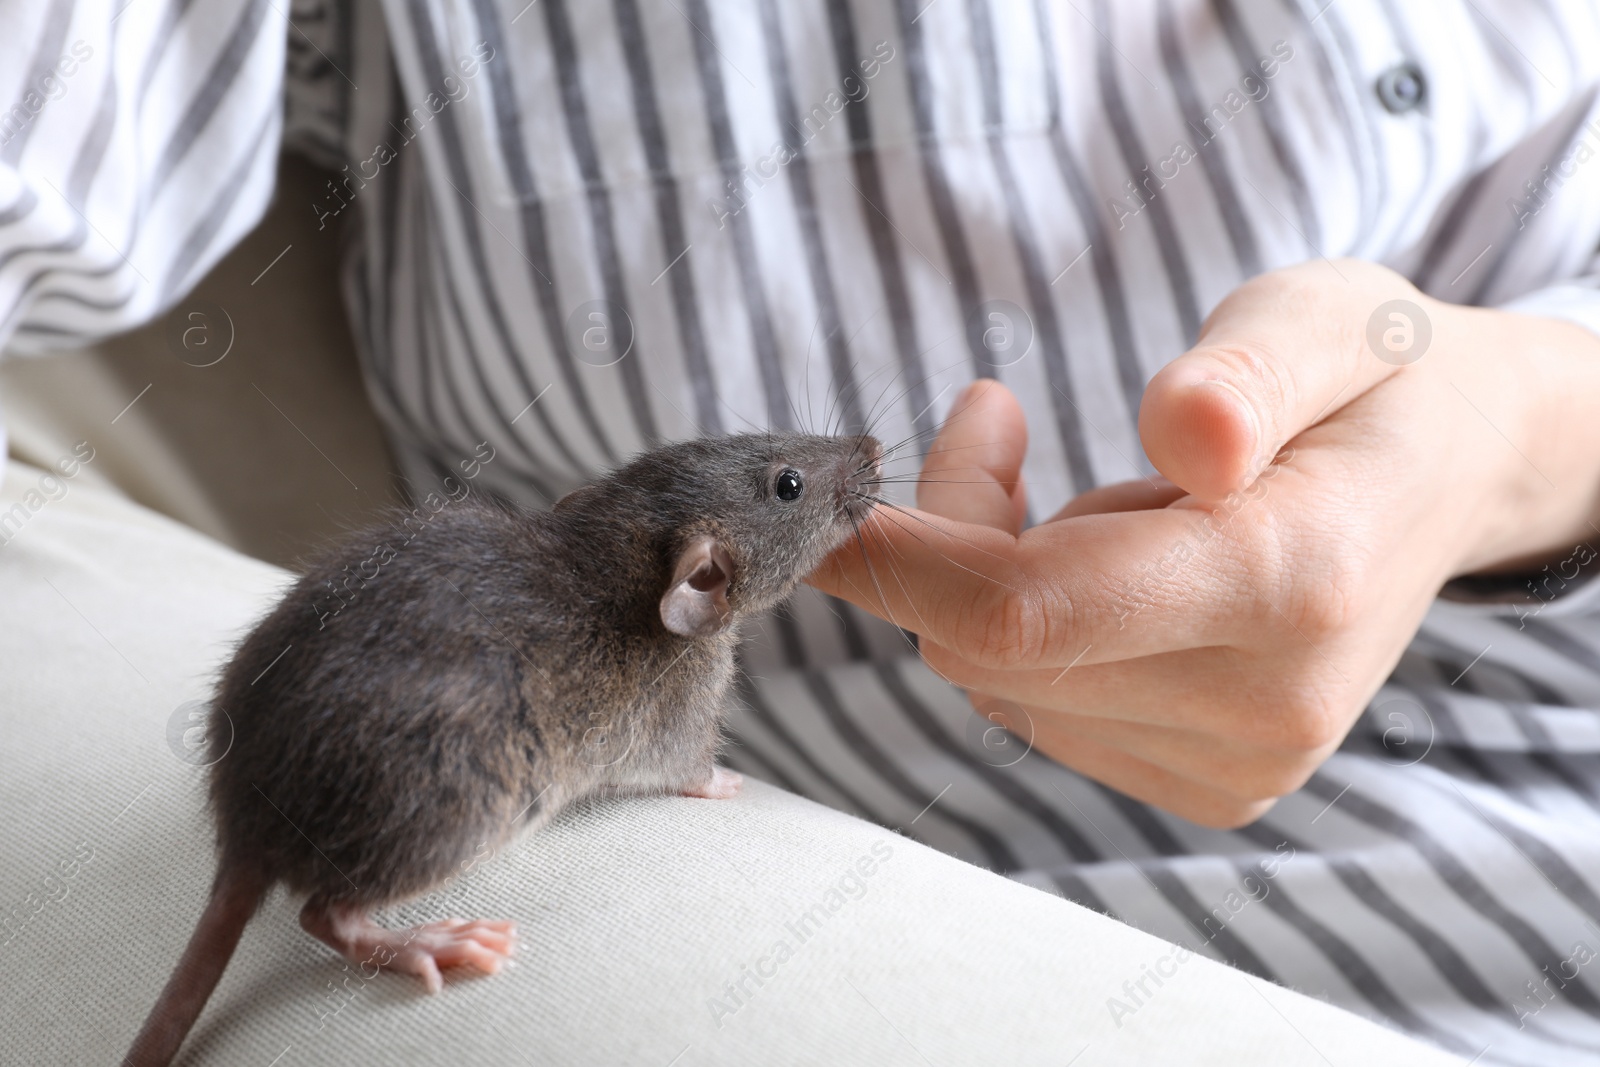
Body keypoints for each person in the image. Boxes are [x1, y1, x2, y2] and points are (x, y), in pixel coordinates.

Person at [6, 0, 1600, 1062]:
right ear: (703, 583)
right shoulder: (651, 636)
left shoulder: (653, 591)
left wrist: (1513, 425)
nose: (845, 469)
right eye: (793, 496)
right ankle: (345, 912)